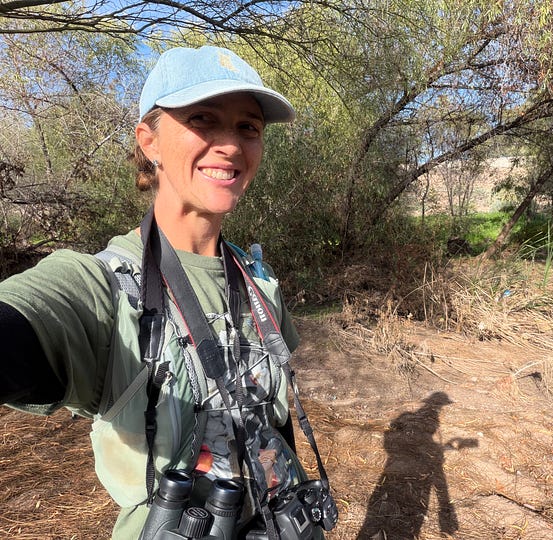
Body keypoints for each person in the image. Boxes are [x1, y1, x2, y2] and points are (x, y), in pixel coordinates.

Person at [0, 45, 327, 539]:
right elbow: (26, 322)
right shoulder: (104, 287)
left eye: (248, 127)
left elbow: (274, 422)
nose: (232, 145)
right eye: (203, 118)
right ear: (148, 140)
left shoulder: (259, 283)